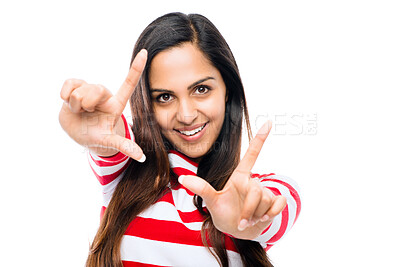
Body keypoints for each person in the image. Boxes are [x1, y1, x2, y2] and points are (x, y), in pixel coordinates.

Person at [59, 12, 301, 267]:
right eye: (164, 97)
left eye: (201, 89)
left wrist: (248, 219)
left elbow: (275, 209)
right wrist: (97, 128)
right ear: (147, 105)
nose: (186, 115)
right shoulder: (125, 170)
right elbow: (114, 141)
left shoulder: (262, 189)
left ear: (227, 91)